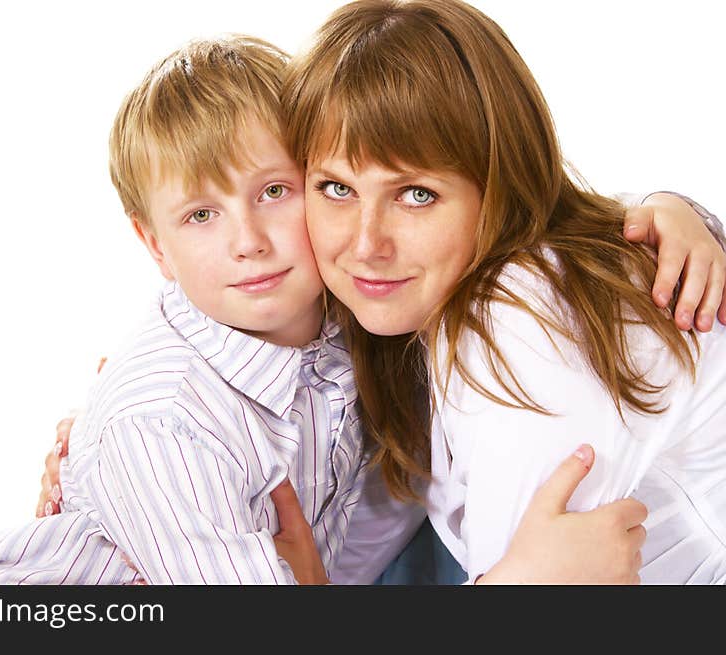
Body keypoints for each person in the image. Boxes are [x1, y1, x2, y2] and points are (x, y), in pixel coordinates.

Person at [0, 33, 667, 587]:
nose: (248, 242)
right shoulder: (163, 429)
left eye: (276, 191)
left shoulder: (358, 301)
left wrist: (668, 217)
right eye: (201, 214)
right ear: (153, 245)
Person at [275, 0, 726, 583]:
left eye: (416, 194)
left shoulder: (523, 318)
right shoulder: (400, 306)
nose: (366, 245)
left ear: (500, 185)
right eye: (336, 187)